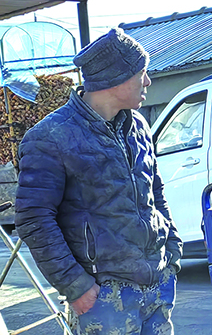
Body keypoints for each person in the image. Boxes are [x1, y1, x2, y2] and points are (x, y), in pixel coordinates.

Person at [15, 28, 182, 335]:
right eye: (141, 72)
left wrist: (171, 251)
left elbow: (154, 193)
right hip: (104, 298)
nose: (148, 81)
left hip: (156, 285)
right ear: (115, 77)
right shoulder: (50, 136)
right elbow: (33, 218)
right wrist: (75, 286)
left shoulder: (138, 126)